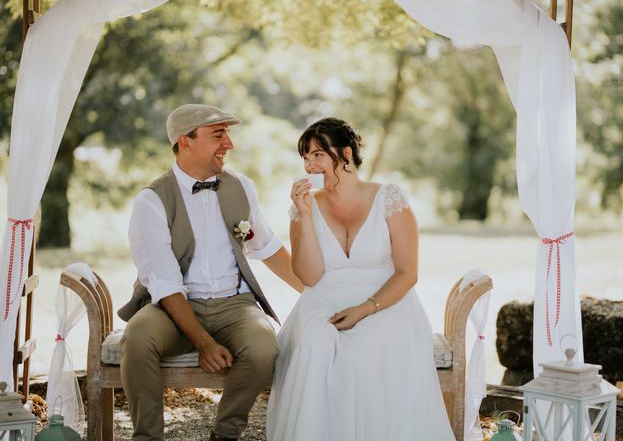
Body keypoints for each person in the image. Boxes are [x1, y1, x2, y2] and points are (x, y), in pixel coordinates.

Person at [117, 104, 303, 441]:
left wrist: (315, 291)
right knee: (139, 338)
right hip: (170, 307)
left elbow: (266, 247)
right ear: (185, 142)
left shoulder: (241, 187)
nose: (229, 144)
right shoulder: (152, 200)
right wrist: (204, 343)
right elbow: (164, 281)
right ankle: (147, 436)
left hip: (235, 305)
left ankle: (225, 434)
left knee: (264, 348)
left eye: (228, 134)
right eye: (218, 135)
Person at [266, 118, 455, 440]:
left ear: (346, 153)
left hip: (386, 301)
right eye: (305, 157)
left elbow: (408, 273)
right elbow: (310, 276)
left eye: (317, 155)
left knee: (361, 355)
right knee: (313, 345)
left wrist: (365, 308)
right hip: (323, 299)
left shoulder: (389, 198)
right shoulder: (304, 208)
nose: (310, 165)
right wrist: (306, 215)